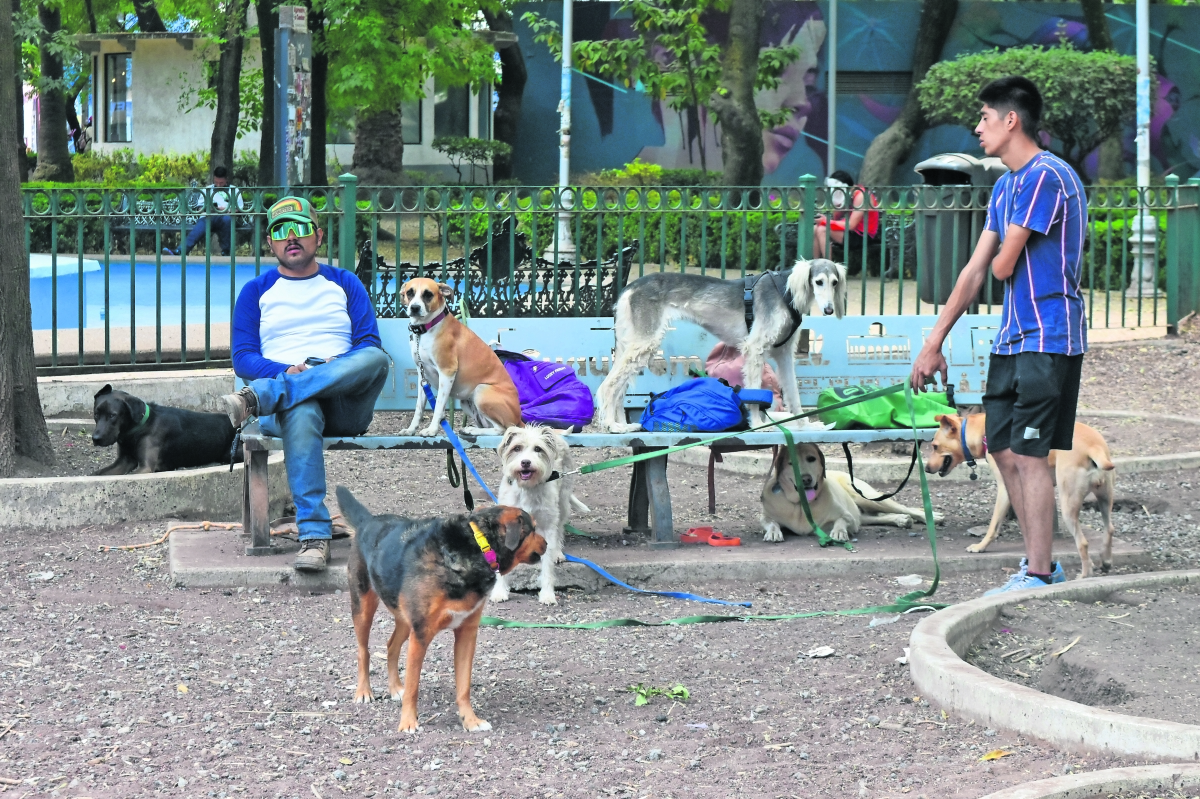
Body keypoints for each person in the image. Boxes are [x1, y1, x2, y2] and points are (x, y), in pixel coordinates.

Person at [909, 76, 1087, 595]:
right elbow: (974, 270)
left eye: (985, 117)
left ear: (1012, 120)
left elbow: (1004, 266)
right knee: (1002, 450)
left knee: (1030, 454)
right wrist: (933, 342)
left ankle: (1038, 572)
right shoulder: (1007, 185)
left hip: (1049, 337)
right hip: (1012, 338)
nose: (977, 126)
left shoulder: (1047, 176)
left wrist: (1004, 252)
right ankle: (1038, 568)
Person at [223, 196, 390, 572]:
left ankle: (264, 395)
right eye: (281, 231)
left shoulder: (344, 282)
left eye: (300, 229)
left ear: (317, 237)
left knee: (377, 360)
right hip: (289, 412)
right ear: (270, 243)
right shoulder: (256, 291)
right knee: (300, 407)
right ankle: (314, 537)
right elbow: (244, 357)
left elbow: (368, 345)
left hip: (345, 403)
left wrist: (325, 369)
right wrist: (290, 369)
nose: (291, 238)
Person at [165, 166, 244, 257]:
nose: (218, 185)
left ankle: (226, 252)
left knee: (227, 220)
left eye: (221, 183)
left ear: (226, 179)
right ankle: (180, 251)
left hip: (226, 217)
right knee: (199, 228)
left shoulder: (234, 190)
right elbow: (200, 208)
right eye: (216, 182)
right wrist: (211, 209)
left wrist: (226, 209)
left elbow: (239, 209)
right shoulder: (208, 189)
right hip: (208, 217)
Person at [812, 170, 880, 260]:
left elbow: (851, 225)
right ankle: (814, 264)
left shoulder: (861, 196)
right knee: (816, 227)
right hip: (851, 232)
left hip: (862, 235)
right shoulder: (849, 195)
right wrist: (838, 203)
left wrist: (826, 221)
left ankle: (828, 267)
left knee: (822, 229)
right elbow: (836, 216)